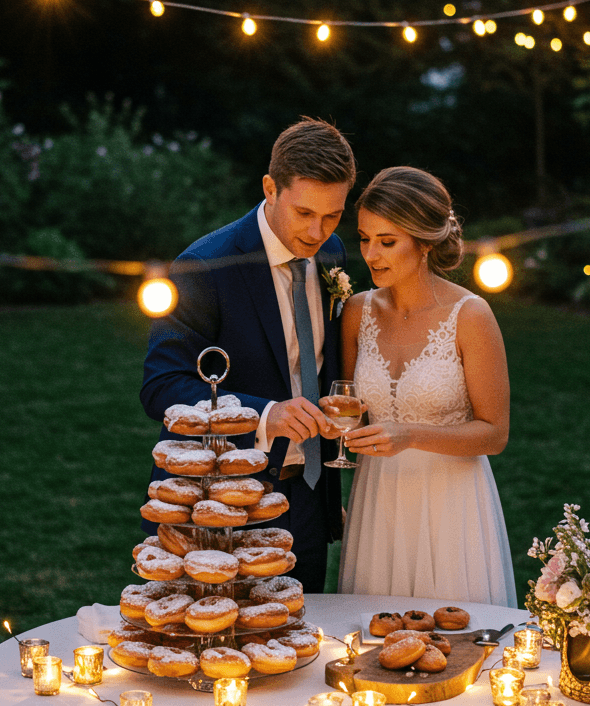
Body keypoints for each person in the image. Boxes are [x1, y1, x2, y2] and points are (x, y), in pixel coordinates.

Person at [140, 118, 356, 593]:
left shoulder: (332, 253)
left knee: (303, 647)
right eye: (304, 213)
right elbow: (162, 386)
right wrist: (265, 414)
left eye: (333, 216)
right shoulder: (206, 266)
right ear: (269, 188)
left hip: (310, 497)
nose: (318, 231)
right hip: (222, 501)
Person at [335, 166, 517, 604]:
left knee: (457, 645)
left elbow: (494, 434)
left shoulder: (471, 316)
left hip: (451, 508)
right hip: (377, 503)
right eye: (364, 239)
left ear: (423, 243)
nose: (371, 255)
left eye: (387, 241)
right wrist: (334, 420)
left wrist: (411, 434)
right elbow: (348, 409)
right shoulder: (357, 312)